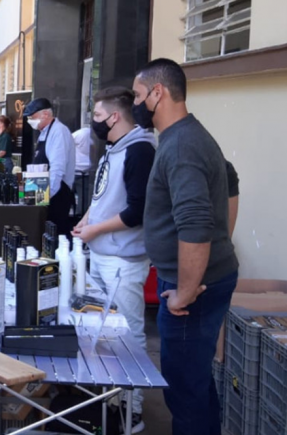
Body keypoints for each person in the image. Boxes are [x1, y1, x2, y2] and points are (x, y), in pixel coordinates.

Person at [132, 58, 239, 435]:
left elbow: (195, 224)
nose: (135, 103)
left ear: (157, 93)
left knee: (185, 392)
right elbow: (229, 181)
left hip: (191, 291)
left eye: (138, 95)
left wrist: (186, 292)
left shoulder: (181, 144)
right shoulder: (185, 137)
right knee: (193, 383)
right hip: (194, 281)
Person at [72, 87, 156, 433]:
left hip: (124, 259)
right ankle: (112, 396)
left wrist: (95, 231)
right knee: (105, 332)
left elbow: (136, 211)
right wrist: (88, 219)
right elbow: (104, 193)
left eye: (96, 116)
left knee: (131, 335)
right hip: (103, 252)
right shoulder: (113, 149)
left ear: (115, 116)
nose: (93, 122)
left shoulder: (140, 150)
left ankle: (132, 409)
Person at [24, 98, 76, 237]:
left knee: (54, 238)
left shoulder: (59, 132)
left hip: (56, 197)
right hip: (42, 193)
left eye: (32, 117)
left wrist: (43, 199)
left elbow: (57, 171)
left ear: (45, 114)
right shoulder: (44, 132)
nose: (30, 121)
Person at [72, 127, 92, 216]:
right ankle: (80, 214)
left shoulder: (79, 134)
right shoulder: (92, 135)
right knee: (83, 197)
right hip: (86, 170)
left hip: (75, 169)